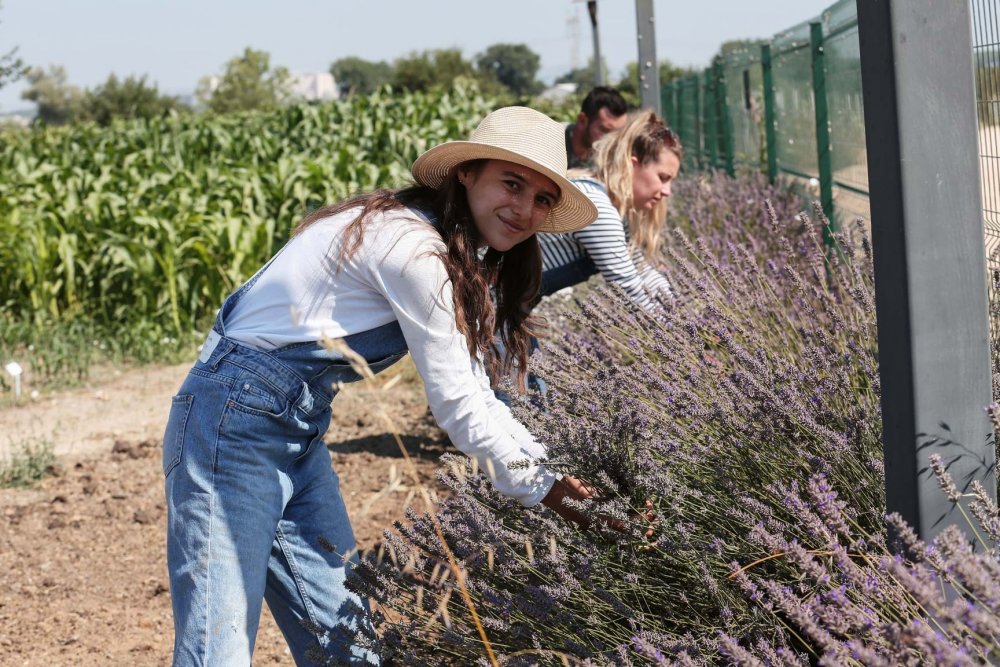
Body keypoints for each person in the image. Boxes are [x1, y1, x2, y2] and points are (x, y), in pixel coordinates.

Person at [161, 106, 602, 666]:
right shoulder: (410, 249)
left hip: (293, 427)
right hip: (230, 424)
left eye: (542, 198)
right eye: (511, 184)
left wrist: (555, 474)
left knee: (349, 642)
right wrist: (555, 493)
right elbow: (460, 405)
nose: (524, 209)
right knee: (216, 649)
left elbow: (476, 390)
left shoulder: (433, 242)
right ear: (467, 173)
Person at [541, 109, 682, 310]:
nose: (667, 191)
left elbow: (640, 270)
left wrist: (682, 309)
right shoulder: (596, 207)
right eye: (663, 178)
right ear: (633, 165)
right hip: (490, 304)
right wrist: (685, 332)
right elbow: (629, 290)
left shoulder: (606, 204)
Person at [565, 86, 628, 170]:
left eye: (618, 133)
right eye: (605, 131)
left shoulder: (613, 159)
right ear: (582, 120)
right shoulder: (551, 141)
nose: (613, 139)